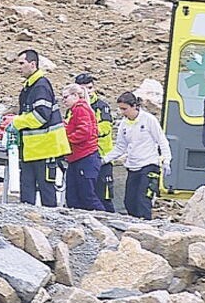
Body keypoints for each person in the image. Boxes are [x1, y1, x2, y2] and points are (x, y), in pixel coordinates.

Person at [9, 49, 71, 206]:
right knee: (27, 189)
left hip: (45, 148)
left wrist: (16, 123)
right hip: (33, 149)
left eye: (22, 63)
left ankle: (50, 224)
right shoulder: (30, 86)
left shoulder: (40, 85)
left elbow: (41, 116)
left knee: (46, 190)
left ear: (33, 64)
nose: (19, 67)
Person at [102, 92, 171, 220]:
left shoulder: (148, 120)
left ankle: (147, 228)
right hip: (133, 167)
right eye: (120, 109)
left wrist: (166, 160)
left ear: (134, 106)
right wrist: (104, 159)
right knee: (129, 201)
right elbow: (120, 147)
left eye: (124, 109)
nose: (122, 112)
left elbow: (162, 140)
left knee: (143, 200)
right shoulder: (124, 124)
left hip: (149, 165)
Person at [61, 84, 105, 211]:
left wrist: (67, 140)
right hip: (79, 158)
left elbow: (84, 131)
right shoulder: (77, 110)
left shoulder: (80, 109)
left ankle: (104, 220)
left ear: (75, 95)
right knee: (75, 196)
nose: (64, 101)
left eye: (66, 97)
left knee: (86, 196)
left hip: (85, 157)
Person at [74, 73, 115, 212]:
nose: (87, 92)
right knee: (82, 195)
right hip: (82, 156)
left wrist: (88, 130)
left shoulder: (101, 106)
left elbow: (106, 127)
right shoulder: (73, 108)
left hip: (102, 157)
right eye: (83, 89)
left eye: (90, 88)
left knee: (103, 196)